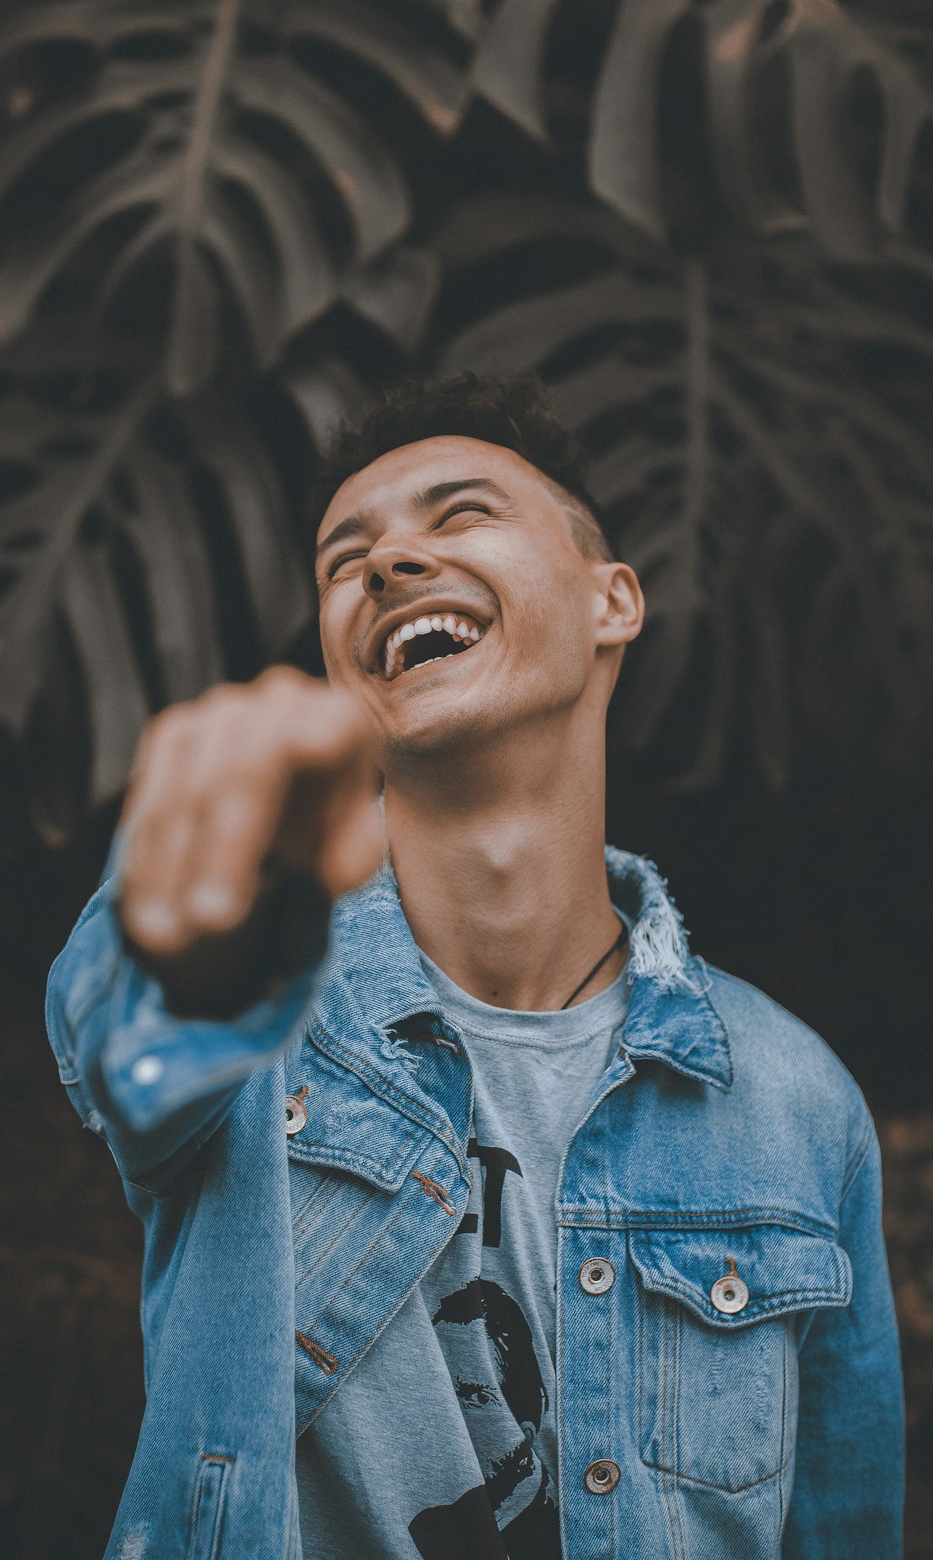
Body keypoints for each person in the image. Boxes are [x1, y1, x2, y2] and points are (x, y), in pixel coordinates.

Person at [46, 374, 904, 1560]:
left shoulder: (797, 1102)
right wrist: (195, 947)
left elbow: (839, 1524)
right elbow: (130, 1051)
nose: (388, 563)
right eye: (347, 557)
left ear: (612, 601)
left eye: (457, 517)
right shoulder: (260, 991)